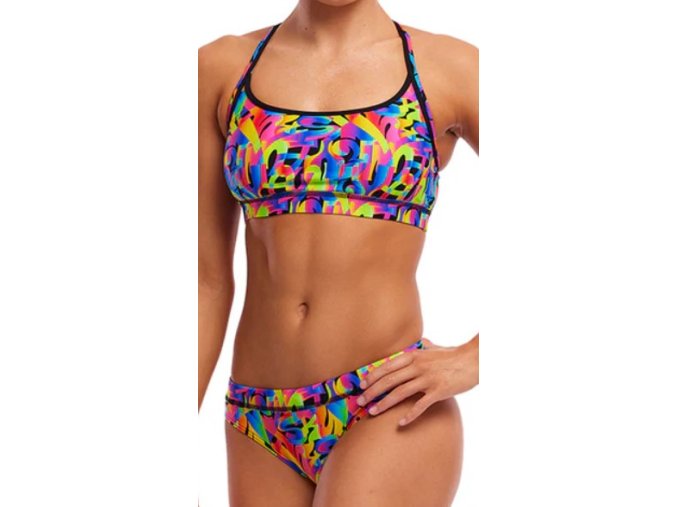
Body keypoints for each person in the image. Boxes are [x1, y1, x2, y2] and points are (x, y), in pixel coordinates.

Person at [198, 0, 479, 505]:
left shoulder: (449, 67)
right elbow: (205, 280)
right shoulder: (224, 68)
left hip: (386, 403)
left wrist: (478, 358)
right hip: (256, 415)